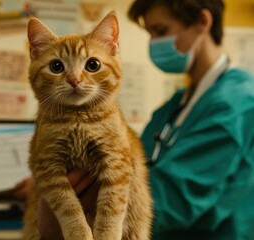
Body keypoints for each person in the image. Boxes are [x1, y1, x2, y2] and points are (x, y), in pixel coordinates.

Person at [14, 0, 254, 239]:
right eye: (149, 32)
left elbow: (180, 199)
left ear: (202, 22)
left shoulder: (238, 102)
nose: (153, 43)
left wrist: (75, 204)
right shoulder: (178, 102)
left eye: (160, 31)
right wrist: (51, 184)